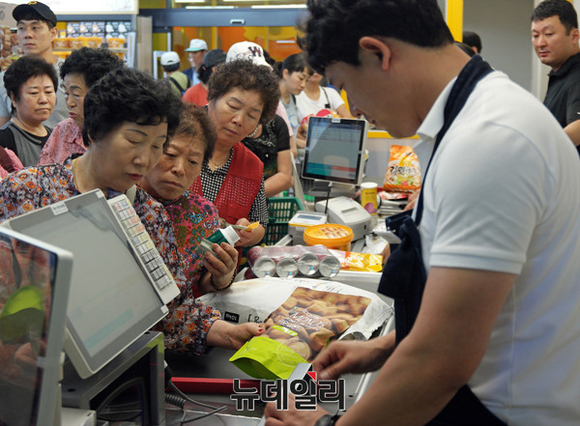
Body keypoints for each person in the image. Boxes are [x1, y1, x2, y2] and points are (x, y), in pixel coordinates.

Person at [264, 0, 580, 425]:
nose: (353, 108)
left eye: (347, 85)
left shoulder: (489, 142)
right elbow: (488, 310)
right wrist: (388, 347)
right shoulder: (478, 117)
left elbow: (440, 361)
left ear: (379, 54)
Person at [0, 67, 262, 355]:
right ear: (96, 130)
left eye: (157, 146)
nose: (144, 159)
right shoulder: (27, 190)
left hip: (110, 370)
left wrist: (228, 333)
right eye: (134, 141)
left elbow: (169, 310)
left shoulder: (149, 215)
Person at [140, 104, 239, 298]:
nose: (179, 168)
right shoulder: (121, 199)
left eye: (193, 162)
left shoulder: (202, 213)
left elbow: (201, 284)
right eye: (170, 154)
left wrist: (221, 277)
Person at [190, 58, 281, 247]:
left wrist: (250, 233)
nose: (239, 120)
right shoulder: (177, 144)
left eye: (252, 116)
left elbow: (260, 223)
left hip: (220, 270)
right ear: (212, 96)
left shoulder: (252, 166)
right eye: (233, 106)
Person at [38, 47, 125, 165]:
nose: (70, 103)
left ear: (102, 93)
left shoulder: (124, 133)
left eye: (76, 95)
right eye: (67, 94)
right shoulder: (63, 130)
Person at [0, 1, 67, 129]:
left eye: (35, 28)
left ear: (53, 33)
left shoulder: (70, 74)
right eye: (21, 28)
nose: (27, 35)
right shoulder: (5, 79)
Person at [227, 41, 297, 158]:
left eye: (260, 72)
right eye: (248, 73)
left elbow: (291, 149)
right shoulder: (218, 103)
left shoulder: (273, 103)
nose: (256, 78)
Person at [532, 0, 580, 155]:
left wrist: (535, 152)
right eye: (535, 35)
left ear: (574, 36)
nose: (540, 43)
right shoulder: (559, 74)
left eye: (549, 34)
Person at [0, 56, 56, 166]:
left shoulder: (57, 136)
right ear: (13, 98)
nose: (43, 100)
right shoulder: (4, 141)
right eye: (34, 93)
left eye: (49, 92)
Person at [276, 53, 311, 149]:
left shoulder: (293, 99)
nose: (303, 85)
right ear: (286, 73)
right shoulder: (272, 99)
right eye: (301, 78)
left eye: (307, 80)